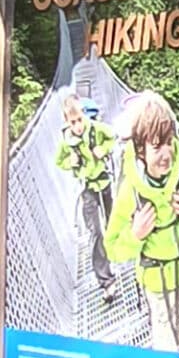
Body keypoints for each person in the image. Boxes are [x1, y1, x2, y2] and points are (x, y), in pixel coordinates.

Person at [104, 89, 179, 353]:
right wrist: (135, 234)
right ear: (140, 151)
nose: (165, 154)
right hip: (157, 282)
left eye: (168, 143)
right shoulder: (131, 191)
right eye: (155, 146)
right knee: (167, 347)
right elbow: (114, 249)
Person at [54, 91, 117, 300]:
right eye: (73, 122)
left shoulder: (96, 129)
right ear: (67, 122)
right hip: (87, 189)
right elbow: (59, 161)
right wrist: (70, 162)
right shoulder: (67, 142)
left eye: (80, 119)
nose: (78, 125)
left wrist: (103, 148)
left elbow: (112, 137)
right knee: (96, 232)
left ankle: (123, 257)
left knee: (114, 224)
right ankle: (106, 281)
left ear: (84, 115)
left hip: (104, 183)